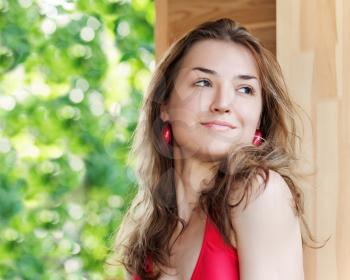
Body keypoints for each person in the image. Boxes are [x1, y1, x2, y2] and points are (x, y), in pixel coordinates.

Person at [112, 18, 311, 280]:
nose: (223, 103)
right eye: (203, 82)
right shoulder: (147, 237)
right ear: (164, 105)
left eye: (245, 89)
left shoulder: (259, 193)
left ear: (259, 117)